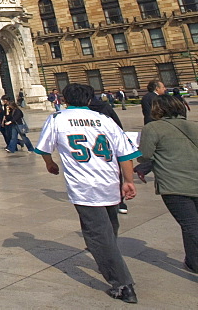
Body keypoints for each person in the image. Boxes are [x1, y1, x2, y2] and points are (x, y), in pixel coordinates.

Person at [34, 83, 141, 304]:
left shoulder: (57, 119)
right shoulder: (105, 120)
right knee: (109, 228)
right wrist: (128, 181)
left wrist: (50, 164)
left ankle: (122, 284)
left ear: (64, 99)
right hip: (110, 182)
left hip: (84, 186)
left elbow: (44, 149)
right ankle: (109, 255)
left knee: (98, 234)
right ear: (90, 99)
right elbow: (125, 154)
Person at [137, 94, 198, 275]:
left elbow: (145, 154)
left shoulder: (153, 128)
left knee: (191, 226)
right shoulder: (194, 126)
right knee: (190, 224)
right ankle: (193, 262)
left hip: (174, 185)